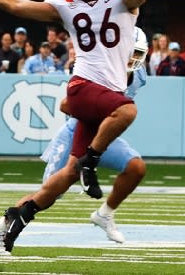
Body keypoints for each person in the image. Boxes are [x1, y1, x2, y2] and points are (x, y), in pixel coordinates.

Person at [0, 0, 147, 254]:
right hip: (84, 84)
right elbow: (17, 5)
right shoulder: (65, 2)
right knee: (127, 110)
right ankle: (91, 163)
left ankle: (11, 223)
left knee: (67, 174)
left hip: (102, 98)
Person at [26, 27, 149, 249]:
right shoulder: (99, 70)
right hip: (77, 132)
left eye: (136, 53)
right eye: (128, 51)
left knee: (136, 167)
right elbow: (66, 105)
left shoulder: (139, 75)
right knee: (49, 193)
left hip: (103, 137)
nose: (131, 58)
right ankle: (5, 224)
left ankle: (105, 214)